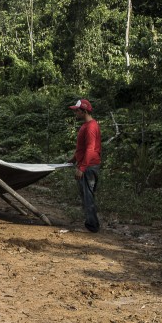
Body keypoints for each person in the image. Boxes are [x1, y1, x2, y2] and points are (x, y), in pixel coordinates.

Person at [68, 98, 101, 232]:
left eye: (77, 111)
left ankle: (92, 226)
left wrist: (82, 168)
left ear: (84, 111)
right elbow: (81, 148)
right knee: (86, 196)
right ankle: (90, 223)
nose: (75, 113)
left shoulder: (91, 127)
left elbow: (90, 149)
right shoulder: (85, 126)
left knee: (88, 197)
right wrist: (73, 159)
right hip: (85, 164)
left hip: (88, 166)